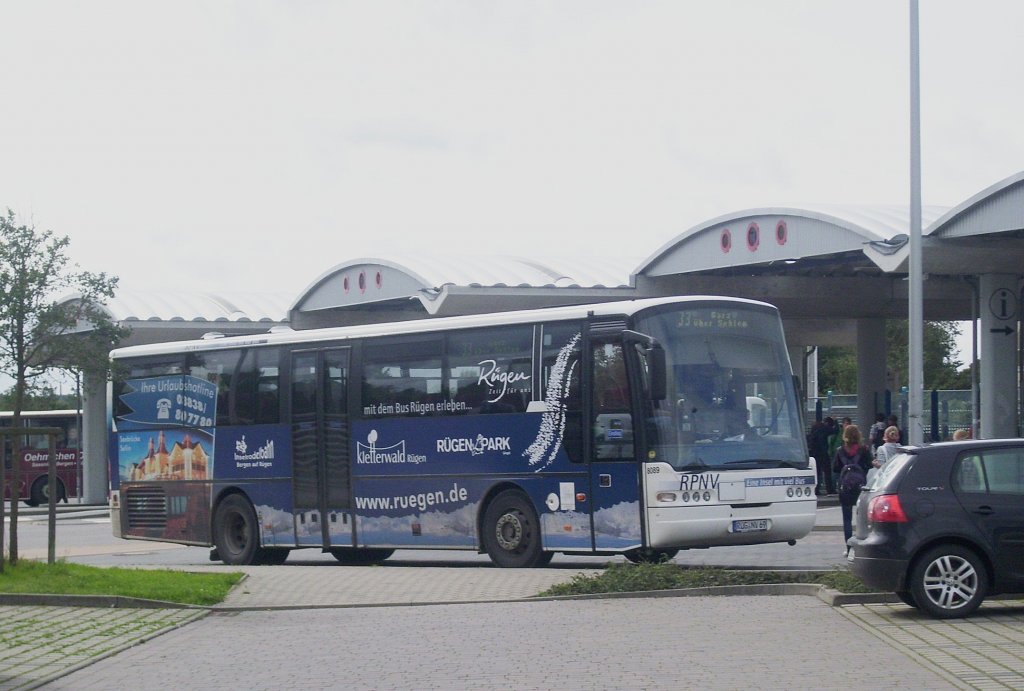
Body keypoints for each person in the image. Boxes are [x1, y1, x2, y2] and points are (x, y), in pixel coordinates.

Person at [832, 423, 872, 555]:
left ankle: (849, 549)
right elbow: (869, 465)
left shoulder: (840, 451)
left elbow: (835, 469)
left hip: (846, 489)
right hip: (861, 488)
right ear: (858, 435)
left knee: (847, 519)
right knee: (863, 519)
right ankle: (864, 548)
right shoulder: (864, 450)